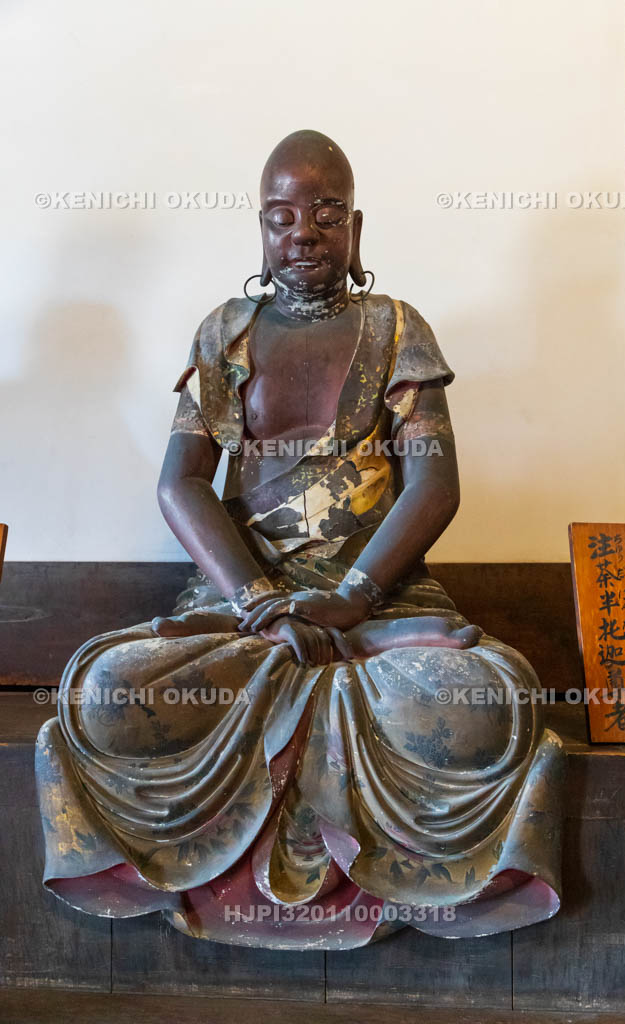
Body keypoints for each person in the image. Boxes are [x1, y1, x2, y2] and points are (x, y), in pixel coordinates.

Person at [35, 130, 564, 950]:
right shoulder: (225, 334)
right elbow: (179, 483)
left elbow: (433, 484)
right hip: (242, 610)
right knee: (106, 694)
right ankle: (293, 667)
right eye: (281, 217)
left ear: (356, 229)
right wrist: (260, 603)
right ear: (259, 229)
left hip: (379, 606)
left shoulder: (395, 328)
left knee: (481, 703)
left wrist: (351, 599)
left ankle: (332, 677)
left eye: (323, 215)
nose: (302, 234)